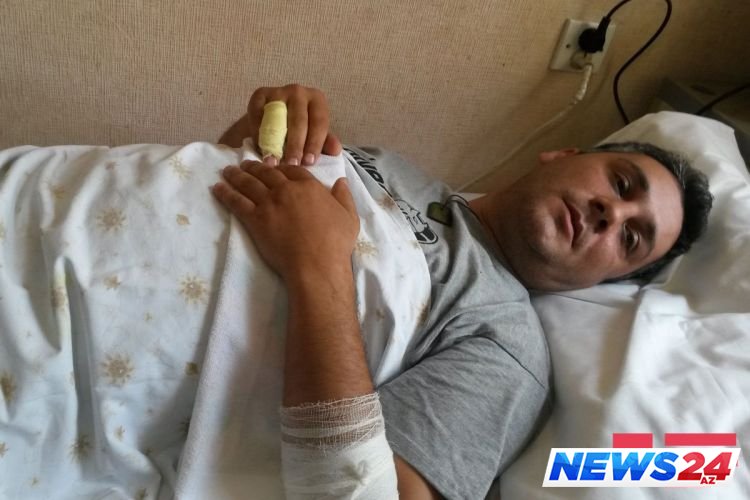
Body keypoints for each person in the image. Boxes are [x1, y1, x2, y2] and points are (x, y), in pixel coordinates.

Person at [213, 84, 713, 499]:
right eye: (621, 184)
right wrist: (261, 129)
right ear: (563, 155)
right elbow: (225, 183)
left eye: (630, 238)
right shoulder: (395, 167)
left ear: (601, 281)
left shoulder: (507, 346)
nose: (613, 214)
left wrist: (317, 268)